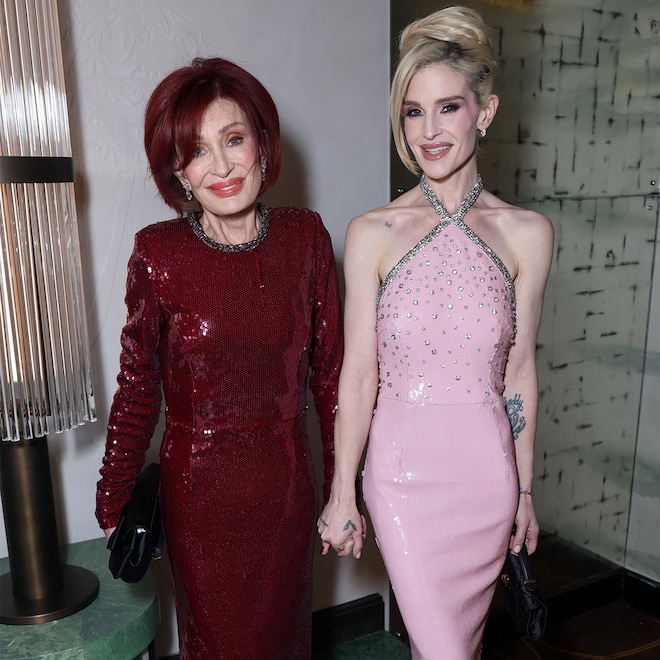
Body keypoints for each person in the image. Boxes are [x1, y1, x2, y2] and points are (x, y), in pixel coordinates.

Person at [317, 6, 553, 659]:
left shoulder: (528, 235)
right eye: (412, 112)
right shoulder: (372, 233)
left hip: (487, 478)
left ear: (485, 111)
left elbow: (519, 373)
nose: (428, 131)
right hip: (400, 479)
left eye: (448, 108)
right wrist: (342, 491)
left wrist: (524, 490)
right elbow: (358, 374)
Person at [95, 57, 343, 659]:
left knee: (284, 642)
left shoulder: (306, 238)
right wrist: (114, 493)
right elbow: (138, 387)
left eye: (233, 139)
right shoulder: (158, 254)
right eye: (197, 151)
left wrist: (344, 486)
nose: (223, 166)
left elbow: (331, 377)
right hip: (198, 497)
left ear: (262, 143)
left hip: (285, 491)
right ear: (178, 171)